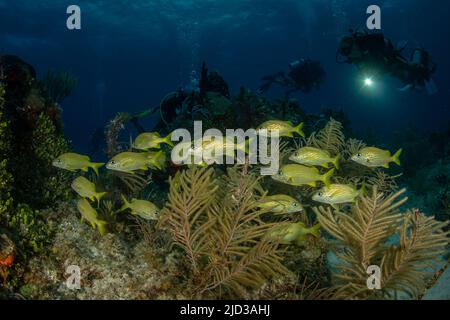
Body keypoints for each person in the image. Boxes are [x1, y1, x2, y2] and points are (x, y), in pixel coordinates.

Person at [258, 59, 325, 96]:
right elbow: (312, 84)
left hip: (295, 76)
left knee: (285, 83)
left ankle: (275, 78)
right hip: (296, 78)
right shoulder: (317, 74)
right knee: (285, 83)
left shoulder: (314, 72)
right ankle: (276, 77)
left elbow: (310, 85)